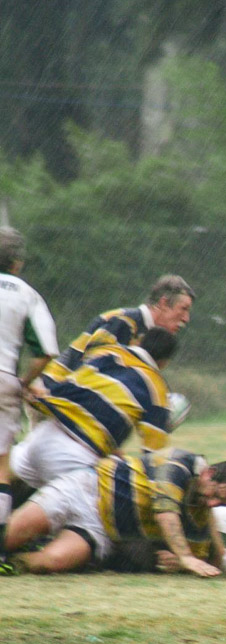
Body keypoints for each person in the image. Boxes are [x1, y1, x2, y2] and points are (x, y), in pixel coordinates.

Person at [3, 448, 226, 576]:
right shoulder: (179, 463)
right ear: (209, 473)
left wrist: (181, 564)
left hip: (101, 529)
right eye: (216, 494)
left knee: (49, 562)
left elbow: (214, 559)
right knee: (10, 535)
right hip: (87, 488)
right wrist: (185, 557)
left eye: (221, 503)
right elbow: (165, 511)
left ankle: (9, 565)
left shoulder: (201, 510)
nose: (213, 503)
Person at [10, 326, 177, 491]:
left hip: (41, 437)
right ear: (164, 362)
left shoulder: (107, 353)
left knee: (6, 484)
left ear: (140, 342)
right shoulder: (157, 389)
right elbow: (155, 456)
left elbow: (76, 388)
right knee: (101, 512)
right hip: (76, 457)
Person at [0, 227, 59, 570]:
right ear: (18, 263)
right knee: (1, 469)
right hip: (5, 379)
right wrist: (23, 382)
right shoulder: (27, 294)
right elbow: (47, 351)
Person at [40, 274, 195, 391]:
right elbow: (92, 370)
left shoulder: (148, 336)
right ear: (163, 303)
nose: (187, 319)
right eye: (184, 309)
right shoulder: (122, 322)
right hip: (53, 392)